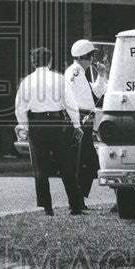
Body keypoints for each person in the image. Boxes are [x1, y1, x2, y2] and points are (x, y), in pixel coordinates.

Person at [15, 47, 85, 216]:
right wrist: (77, 125)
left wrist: (25, 126)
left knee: (40, 167)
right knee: (67, 165)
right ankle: (75, 206)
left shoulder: (27, 82)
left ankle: (47, 207)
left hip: (37, 124)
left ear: (33, 63)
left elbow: (20, 108)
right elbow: (70, 104)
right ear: (50, 61)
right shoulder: (59, 79)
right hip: (57, 123)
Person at [65, 39, 108, 198]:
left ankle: (80, 196)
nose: (93, 59)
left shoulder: (81, 73)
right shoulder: (74, 72)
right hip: (80, 119)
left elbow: (96, 93)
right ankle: (77, 198)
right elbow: (71, 98)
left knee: (89, 163)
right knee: (81, 162)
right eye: (91, 55)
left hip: (86, 120)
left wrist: (101, 75)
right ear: (85, 56)